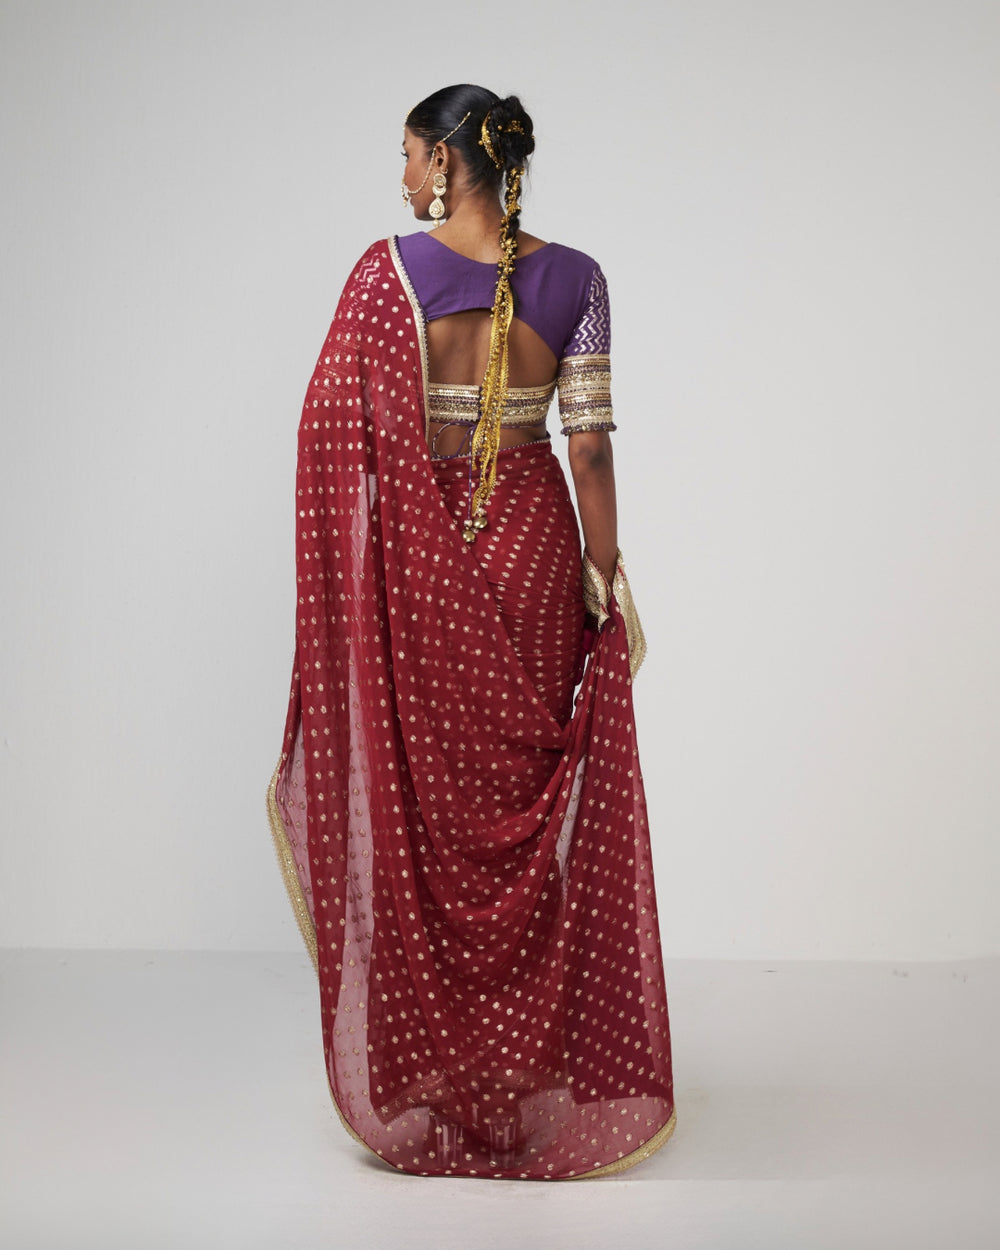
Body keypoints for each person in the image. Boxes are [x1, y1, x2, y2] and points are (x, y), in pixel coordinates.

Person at [266, 84, 675, 1180]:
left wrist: (399, 512)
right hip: (535, 548)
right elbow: (589, 446)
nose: (401, 176)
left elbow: (326, 434)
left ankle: (444, 1077)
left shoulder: (385, 276)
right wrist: (604, 575)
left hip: (424, 559)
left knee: (432, 822)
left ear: (449, 162)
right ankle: (527, 1076)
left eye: (408, 154)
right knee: (525, 827)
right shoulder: (578, 277)